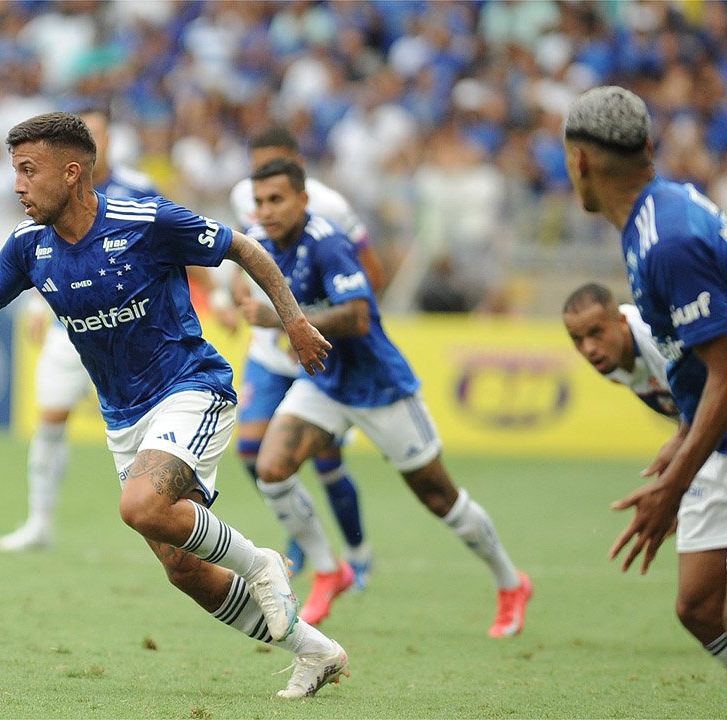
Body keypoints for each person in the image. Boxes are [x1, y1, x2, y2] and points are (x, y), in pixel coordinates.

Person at [0, 112, 347, 698]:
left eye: (28, 170)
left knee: (141, 506)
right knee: (184, 569)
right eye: (14, 171)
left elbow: (243, 247)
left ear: (72, 172)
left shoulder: (146, 219)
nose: (17, 185)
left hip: (191, 387)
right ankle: (315, 650)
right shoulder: (28, 245)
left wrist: (294, 321)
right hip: (124, 416)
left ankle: (261, 564)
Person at [242, 158, 533, 637]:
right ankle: (329, 570)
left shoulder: (328, 244)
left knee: (440, 497)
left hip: (378, 386)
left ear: (303, 200)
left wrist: (280, 319)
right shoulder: (268, 247)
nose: (266, 210)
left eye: (276, 199)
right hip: (325, 384)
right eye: (259, 201)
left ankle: (510, 582)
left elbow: (356, 317)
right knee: (271, 470)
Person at [0, 105, 236, 552]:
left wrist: (218, 296)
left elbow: (182, 241)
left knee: (153, 495)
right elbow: (37, 253)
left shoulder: (137, 190)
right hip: (74, 326)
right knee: (50, 417)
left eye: (100, 133)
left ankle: (196, 526)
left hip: (139, 331)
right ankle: (39, 520)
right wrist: (33, 306)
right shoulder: (45, 194)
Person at [563, 85, 727, 667]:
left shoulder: (668, 240)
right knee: (700, 605)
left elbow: (725, 377)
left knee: (700, 605)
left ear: (578, 160)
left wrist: (673, 485)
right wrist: (685, 441)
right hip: (713, 440)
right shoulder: (659, 217)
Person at [227, 126, 381, 589]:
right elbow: (245, 250)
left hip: (319, 353)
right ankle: (302, 536)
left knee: (327, 462)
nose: (263, 194)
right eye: (257, 173)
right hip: (270, 354)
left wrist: (339, 317)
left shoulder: (330, 208)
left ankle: (357, 552)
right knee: (252, 448)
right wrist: (238, 289)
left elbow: (369, 271)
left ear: (298, 168)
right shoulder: (246, 198)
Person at [561, 282, 680, 421]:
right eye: (577, 338)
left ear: (622, 321)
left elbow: (707, 398)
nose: (589, 348)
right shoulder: (608, 360)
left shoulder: (658, 342)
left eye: (596, 333)